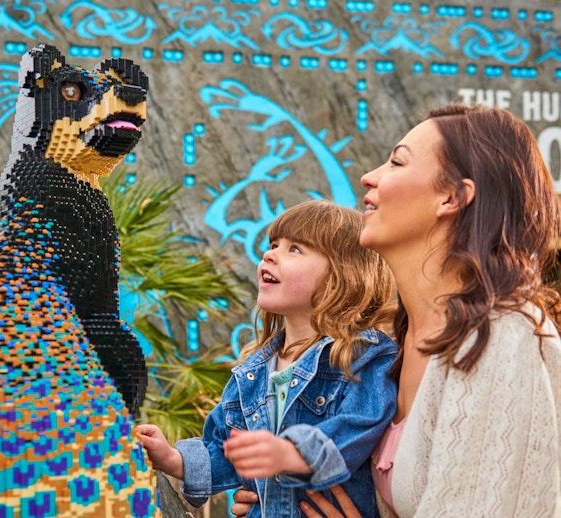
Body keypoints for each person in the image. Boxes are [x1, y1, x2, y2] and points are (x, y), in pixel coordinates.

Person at [232, 103, 561, 517]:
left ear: (451, 197)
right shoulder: (395, 346)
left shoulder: (502, 338)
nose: (370, 176)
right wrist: (274, 494)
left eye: (396, 162)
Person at [137, 200, 398, 518]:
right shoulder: (252, 371)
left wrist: (290, 452)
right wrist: (174, 460)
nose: (270, 254)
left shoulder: (362, 356)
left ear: (342, 276)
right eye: (273, 244)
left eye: (296, 249)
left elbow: (360, 425)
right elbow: (225, 449)